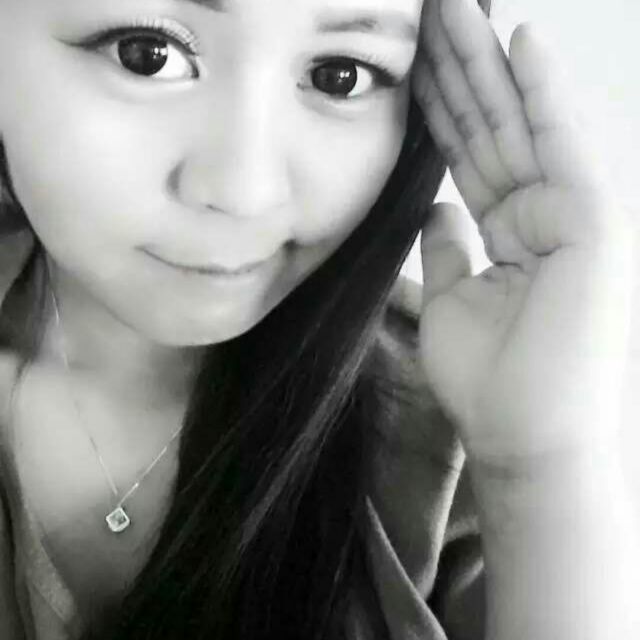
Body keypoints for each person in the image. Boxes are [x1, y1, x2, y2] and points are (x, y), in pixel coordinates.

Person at [0, 0, 637, 638]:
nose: (245, 192)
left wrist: (539, 468)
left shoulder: (458, 416)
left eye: (340, 75)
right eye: (146, 55)